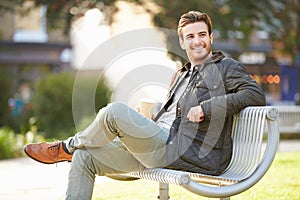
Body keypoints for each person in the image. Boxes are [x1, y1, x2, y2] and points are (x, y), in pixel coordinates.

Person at [24, 10, 266, 199]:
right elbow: (174, 117)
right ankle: (74, 151)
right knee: (84, 158)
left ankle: (66, 147)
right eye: (190, 36)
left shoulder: (226, 67)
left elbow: (254, 94)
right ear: (182, 43)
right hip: (161, 144)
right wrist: (151, 116)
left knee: (114, 112)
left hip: (188, 153)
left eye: (202, 35)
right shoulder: (181, 74)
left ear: (211, 38)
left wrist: (207, 107)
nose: (197, 41)